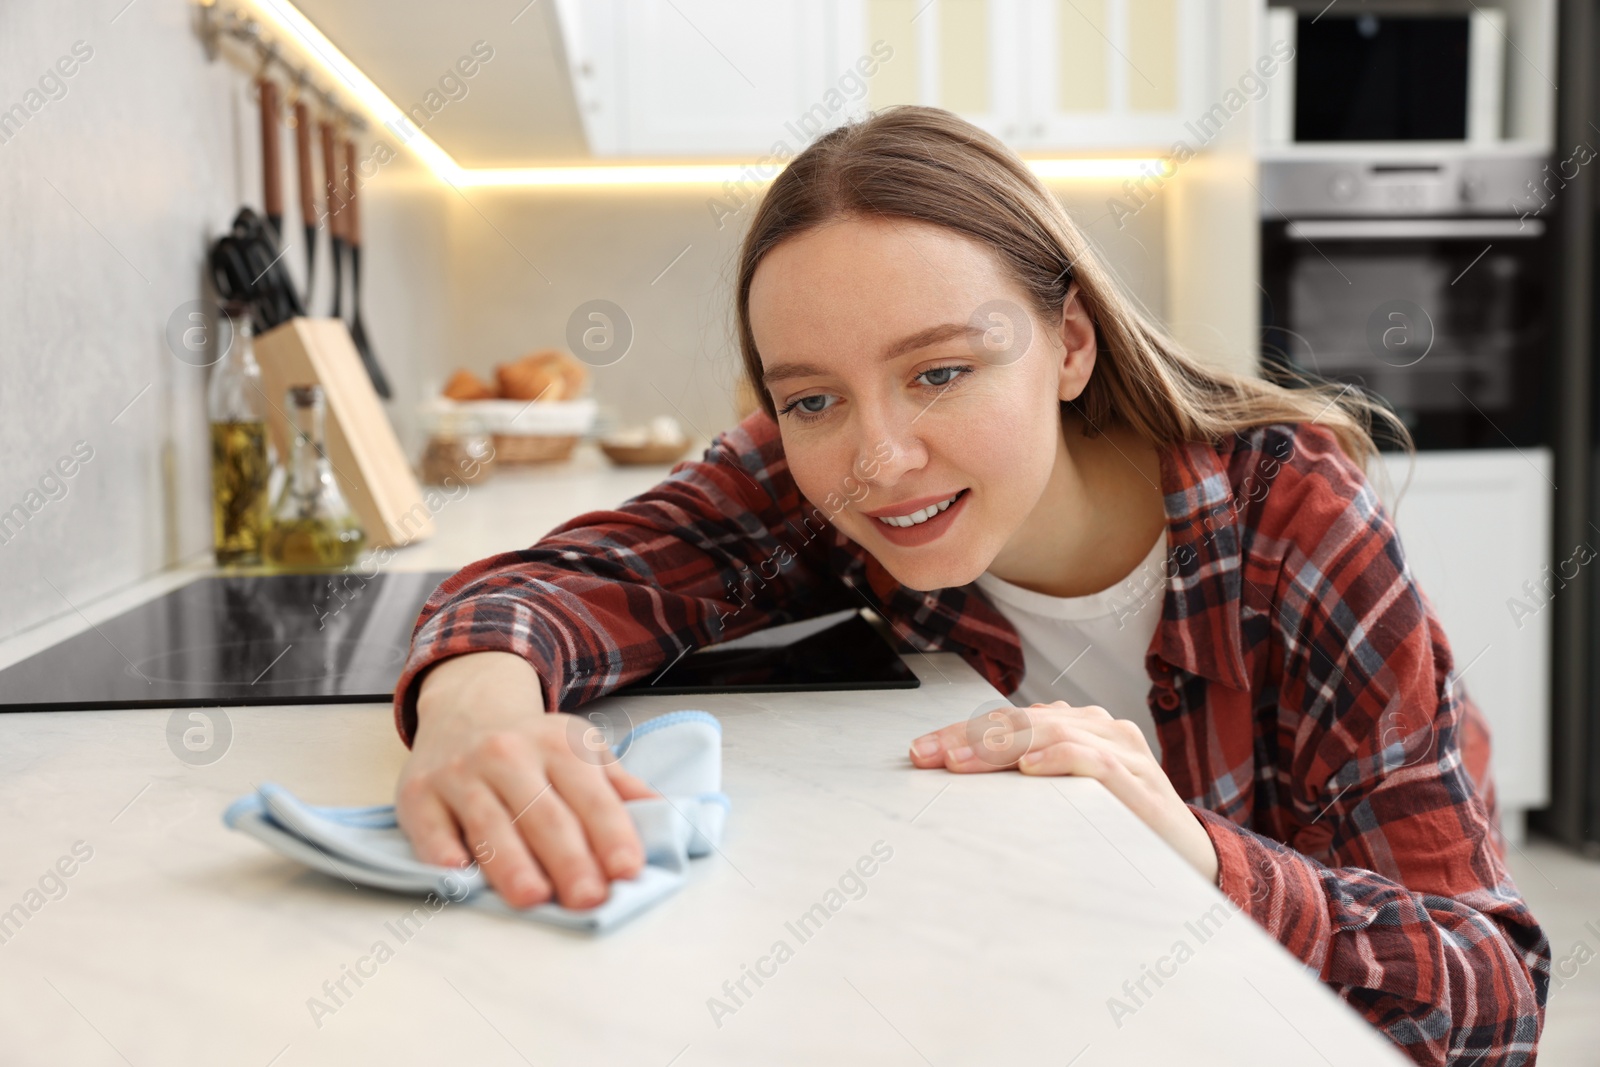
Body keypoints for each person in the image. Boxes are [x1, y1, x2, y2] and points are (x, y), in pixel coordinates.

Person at [390, 106, 1548, 1064]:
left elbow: (1489, 999)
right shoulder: (818, 479)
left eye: (940, 371)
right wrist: (474, 713)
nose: (878, 457)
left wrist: (1192, 848)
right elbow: (568, 578)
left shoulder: (1292, 519)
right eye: (811, 398)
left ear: (1070, 345)